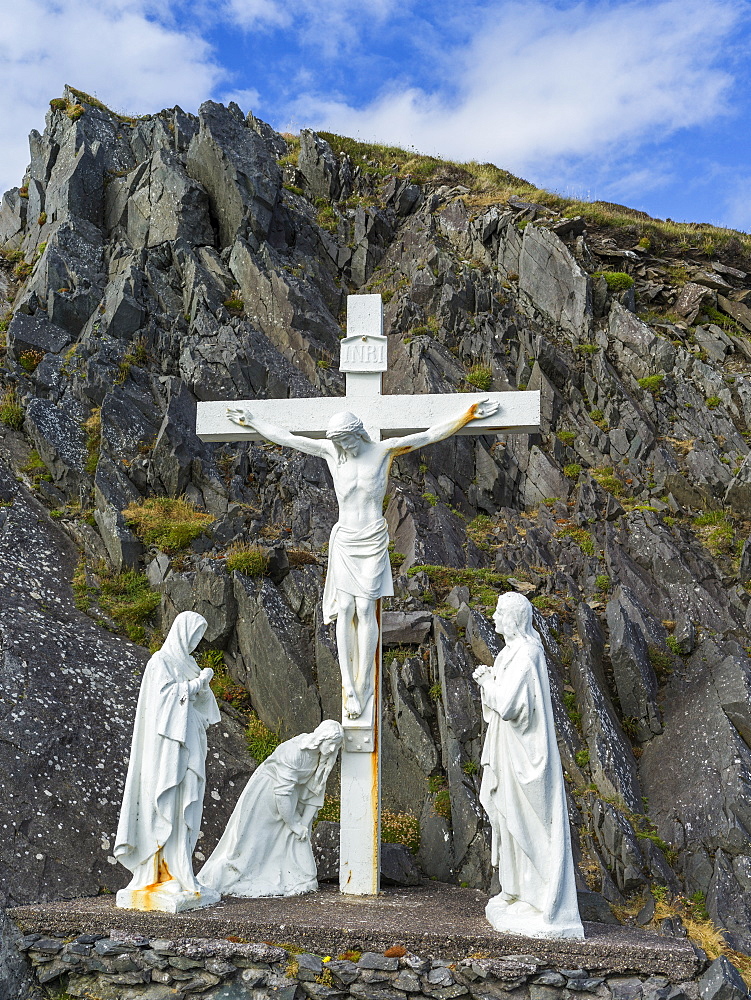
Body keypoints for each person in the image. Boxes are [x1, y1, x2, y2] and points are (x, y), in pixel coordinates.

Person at [227, 399, 499, 719]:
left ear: (359, 434)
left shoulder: (384, 451)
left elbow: (428, 435)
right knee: (345, 609)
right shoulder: (332, 454)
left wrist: (466, 416)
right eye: (338, 443)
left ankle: (363, 679)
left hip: (371, 540)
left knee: (365, 608)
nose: (344, 448)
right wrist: (254, 421)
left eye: (347, 441)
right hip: (345, 540)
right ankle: (350, 688)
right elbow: (289, 438)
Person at [473, 592, 584, 939]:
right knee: (508, 820)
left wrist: (486, 682)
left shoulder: (527, 652)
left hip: (527, 758)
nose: (493, 617)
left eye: (499, 612)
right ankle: (515, 890)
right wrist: (492, 678)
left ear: (515, 618)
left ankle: (538, 898)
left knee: (527, 823)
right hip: (509, 749)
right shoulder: (509, 653)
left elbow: (507, 705)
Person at [114, 611, 221, 912]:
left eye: (199, 637)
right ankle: (158, 872)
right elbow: (163, 703)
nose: (196, 642)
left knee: (186, 807)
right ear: (182, 632)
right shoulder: (159, 663)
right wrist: (196, 684)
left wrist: (202, 686)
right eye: (194, 635)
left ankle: (180, 870)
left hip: (189, 745)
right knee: (168, 805)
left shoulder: (188, 664)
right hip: (166, 752)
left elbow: (207, 712)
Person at [199, 720, 344, 897]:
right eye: (330, 744)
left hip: (291, 799)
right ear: (320, 738)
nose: (331, 750)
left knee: (292, 842)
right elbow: (282, 794)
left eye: (335, 746)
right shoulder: (295, 752)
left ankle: (293, 877)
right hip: (267, 795)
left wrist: (302, 825)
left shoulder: (324, 758)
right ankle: (243, 875)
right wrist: (293, 824)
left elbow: (315, 791)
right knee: (255, 842)